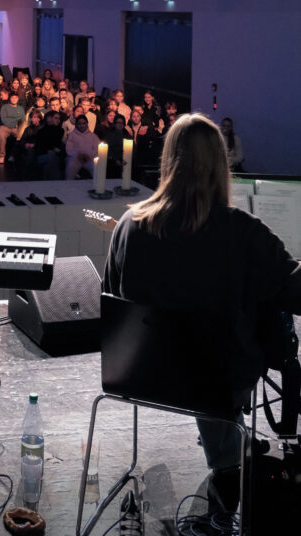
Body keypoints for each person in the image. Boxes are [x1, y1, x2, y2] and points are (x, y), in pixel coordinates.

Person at [103, 114, 301, 522]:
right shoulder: (243, 231)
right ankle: (229, 466)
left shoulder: (128, 224)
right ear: (220, 165)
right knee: (242, 332)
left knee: (200, 341)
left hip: (139, 374)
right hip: (218, 380)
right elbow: (294, 290)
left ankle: (229, 457)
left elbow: (110, 295)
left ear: (168, 161)